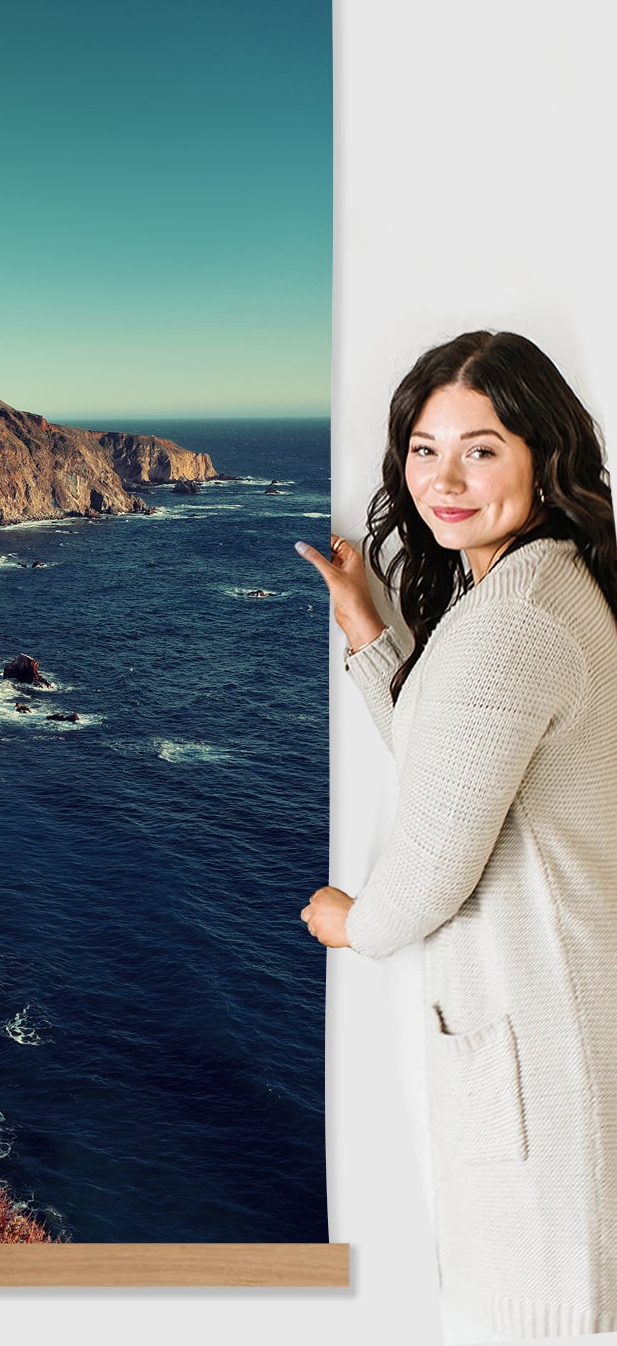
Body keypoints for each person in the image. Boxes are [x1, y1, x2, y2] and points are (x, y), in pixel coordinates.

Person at [295, 330, 617, 1340]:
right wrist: (364, 623)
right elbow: (457, 751)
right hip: (561, 1024)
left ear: (542, 451)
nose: (444, 478)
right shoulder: (537, 586)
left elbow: (431, 872)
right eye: (425, 450)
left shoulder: (510, 621)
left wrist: (356, 923)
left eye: (480, 448)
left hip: (544, 1060)